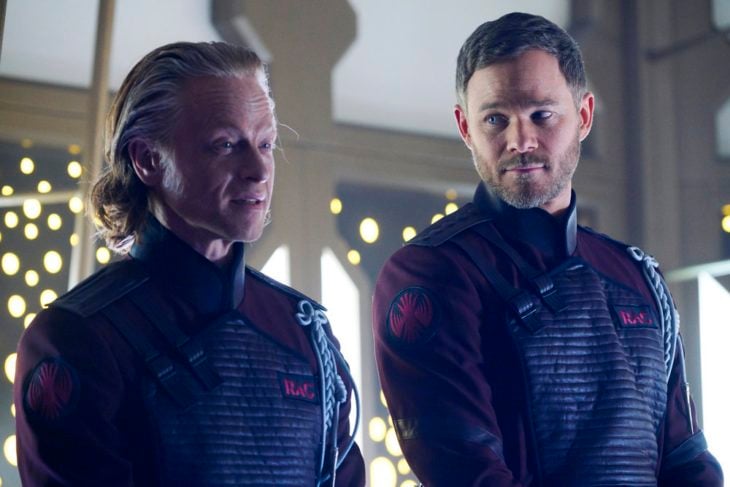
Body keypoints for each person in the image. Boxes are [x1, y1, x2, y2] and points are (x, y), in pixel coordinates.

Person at [373, 12, 723, 486]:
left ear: (584, 116)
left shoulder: (636, 276)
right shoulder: (429, 274)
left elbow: (688, 463)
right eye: (495, 119)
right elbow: (469, 473)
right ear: (465, 127)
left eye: (542, 115)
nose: (520, 141)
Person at [14, 41, 365, 486]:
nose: (259, 170)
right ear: (147, 160)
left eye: (266, 143)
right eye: (226, 144)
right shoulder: (76, 337)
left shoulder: (305, 330)